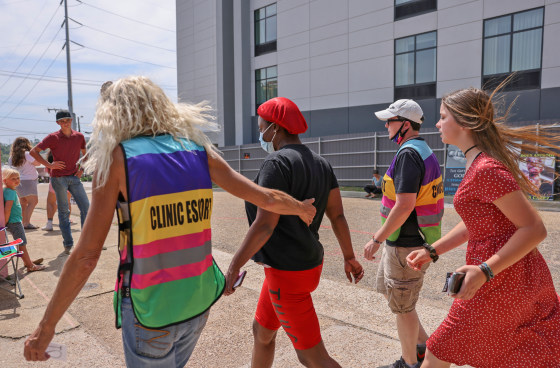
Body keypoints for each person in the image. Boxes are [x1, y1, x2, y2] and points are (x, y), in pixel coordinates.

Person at [23, 77, 316, 366]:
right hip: (198, 303)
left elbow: (87, 256)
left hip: (151, 308)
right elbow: (265, 198)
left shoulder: (118, 160)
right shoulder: (198, 150)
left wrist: (45, 328)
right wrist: (300, 208)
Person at [406, 86, 560, 368]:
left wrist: (484, 270)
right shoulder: (477, 163)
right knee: (506, 351)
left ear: (465, 122)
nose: (438, 124)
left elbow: (535, 229)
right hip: (502, 277)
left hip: (499, 279)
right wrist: (433, 250)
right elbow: (476, 223)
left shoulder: (486, 168)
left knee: (438, 350)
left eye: (443, 117)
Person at [224, 97, 364, 368]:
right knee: (262, 332)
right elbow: (338, 215)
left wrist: (233, 267)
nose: (260, 132)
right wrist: (349, 256)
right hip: (303, 265)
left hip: (287, 273)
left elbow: (265, 224)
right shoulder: (321, 163)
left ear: (275, 128)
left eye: (262, 126)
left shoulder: (276, 163)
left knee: (313, 357)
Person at [363, 99, 444, 368]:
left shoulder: (409, 154)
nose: (386, 125)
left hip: (405, 246)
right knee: (394, 296)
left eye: (391, 120)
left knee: (403, 308)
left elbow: (405, 204)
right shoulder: (421, 150)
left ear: (405, 125)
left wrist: (376, 239)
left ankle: (409, 363)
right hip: (406, 242)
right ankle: (421, 344)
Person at [30, 110, 89, 254]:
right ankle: (68, 244)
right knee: (64, 211)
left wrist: (81, 169)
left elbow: (85, 154)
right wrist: (49, 165)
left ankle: (86, 243)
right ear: (58, 123)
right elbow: (33, 151)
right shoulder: (53, 137)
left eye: (68, 120)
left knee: (86, 208)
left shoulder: (79, 136)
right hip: (58, 179)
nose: (65, 123)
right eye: (62, 121)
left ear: (71, 121)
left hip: (74, 177)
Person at [2, 167, 45, 272]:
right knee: (22, 244)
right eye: (13, 179)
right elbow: (7, 209)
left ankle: (27, 261)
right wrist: (5, 222)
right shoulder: (10, 192)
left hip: (13, 221)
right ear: (5, 181)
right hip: (14, 222)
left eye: (18, 178)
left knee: (21, 243)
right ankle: (30, 266)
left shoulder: (7, 190)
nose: (16, 180)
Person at [8, 137, 40, 229]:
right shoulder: (27, 154)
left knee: (23, 202)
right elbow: (37, 163)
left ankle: (22, 223)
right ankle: (26, 223)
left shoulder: (11, 157)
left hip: (17, 182)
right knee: (33, 202)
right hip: (29, 181)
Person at [42, 152, 73, 232]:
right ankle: (66, 223)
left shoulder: (50, 161)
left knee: (50, 202)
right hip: (67, 182)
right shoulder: (68, 159)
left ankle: (49, 223)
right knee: (67, 203)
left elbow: (47, 171)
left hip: (55, 181)